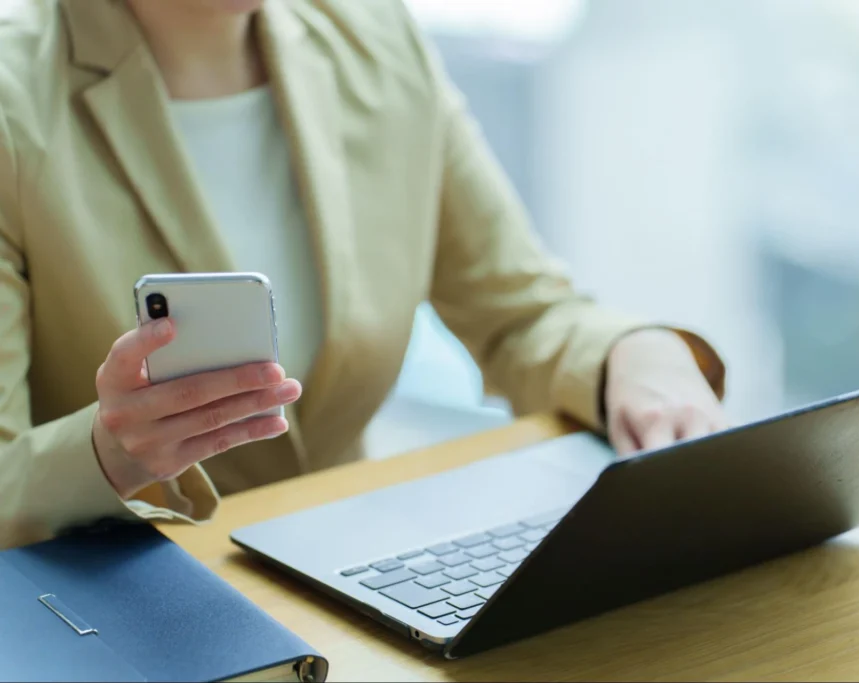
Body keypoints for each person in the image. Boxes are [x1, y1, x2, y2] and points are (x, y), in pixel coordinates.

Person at [0, 0, 727, 550]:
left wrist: (635, 353)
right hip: (112, 608)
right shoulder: (15, 92)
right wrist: (109, 452)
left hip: (345, 573)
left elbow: (520, 314)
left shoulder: (374, 36)